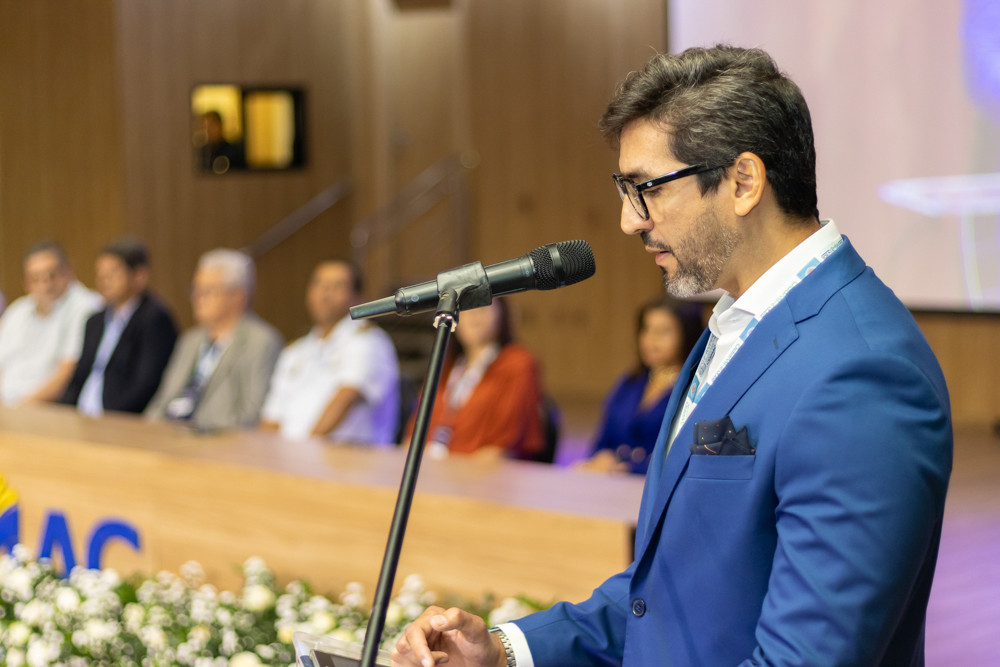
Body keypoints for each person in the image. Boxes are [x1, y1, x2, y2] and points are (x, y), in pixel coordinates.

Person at [393, 45, 952, 667]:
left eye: (646, 188)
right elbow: (667, 594)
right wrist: (504, 651)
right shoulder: (735, 323)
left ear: (743, 182)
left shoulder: (862, 373)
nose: (628, 221)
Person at [260, 259, 400, 444]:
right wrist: (265, 452)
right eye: (319, 285)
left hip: (347, 456)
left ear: (358, 298)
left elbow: (345, 399)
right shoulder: (295, 351)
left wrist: (302, 450)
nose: (325, 294)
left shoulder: (369, 342)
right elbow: (272, 416)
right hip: (291, 454)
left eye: (337, 286)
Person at [145, 249, 282, 431]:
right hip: (168, 432)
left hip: (215, 438)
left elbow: (251, 415)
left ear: (237, 296)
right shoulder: (190, 339)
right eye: (195, 290)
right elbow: (162, 400)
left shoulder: (261, 342)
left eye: (207, 291)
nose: (196, 298)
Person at [576, 297, 702, 475]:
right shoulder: (630, 383)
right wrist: (601, 459)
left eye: (663, 331)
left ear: (687, 334)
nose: (651, 339)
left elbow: (686, 457)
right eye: (646, 329)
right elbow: (603, 441)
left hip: (653, 484)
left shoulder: (693, 391)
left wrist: (628, 468)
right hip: (612, 481)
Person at [407, 298, 545, 460]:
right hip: (432, 466)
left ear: (501, 312)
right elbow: (412, 437)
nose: (474, 313)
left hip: (479, 471)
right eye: (466, 307)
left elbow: (500, 450)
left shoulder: (517, 364)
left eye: (483, 305)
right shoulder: (446, 365)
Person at [60, 239, 177, 415]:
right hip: (81, 415)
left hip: (119, 417)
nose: (104, 279)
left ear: (139, 275)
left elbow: (146, 384)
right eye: (100, 272)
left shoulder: (154, 319)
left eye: (113, 272)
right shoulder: (95, 320)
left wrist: (111, 418)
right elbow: (78, 378)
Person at [0, 241, 102, 406]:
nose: (44, 285)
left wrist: (19, 409)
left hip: (48, 408)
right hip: (7, 406)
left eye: (51, 276)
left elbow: (67, 375)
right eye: (35, 279)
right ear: (25, 282)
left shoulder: (86, 308)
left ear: (69, 271)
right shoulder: (18, 310)